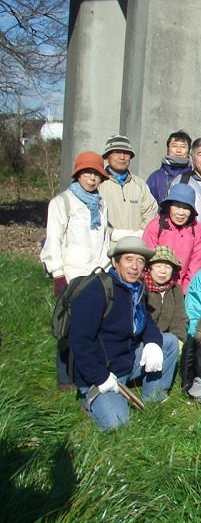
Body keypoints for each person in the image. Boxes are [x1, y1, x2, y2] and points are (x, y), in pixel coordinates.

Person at [70, 237, 179, 431]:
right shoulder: (97, 290)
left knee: (168, 342)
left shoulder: (136, 288)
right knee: (117, 425)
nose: (134, 266)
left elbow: (147, 320)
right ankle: (90, 400)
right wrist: (100, 377)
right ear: (115, 262)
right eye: (128, 259)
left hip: (126, 361)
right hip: (100, 371)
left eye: (140, 261)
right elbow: (80, 341)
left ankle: (153, 399)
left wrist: (153, 343)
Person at [40, 151, 112, 390]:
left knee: (92, 329)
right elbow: (54, 239)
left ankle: (85, 374)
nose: (92, 179)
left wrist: (105, 268)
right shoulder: (62, 202)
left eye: (96, 174)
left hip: (96, 274)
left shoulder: (101, 204)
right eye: (87, 173)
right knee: (68, 329)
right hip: (72, 275)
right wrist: (57, 273)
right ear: (78, 174)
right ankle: (64, 377)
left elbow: (105, 239)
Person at [142, 184, 201, 292]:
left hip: (183, 289)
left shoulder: (196, 229)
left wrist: (184, 291)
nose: (181, 213)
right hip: (155, 286)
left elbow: (197, 263)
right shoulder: (155, 226)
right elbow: (147, 259)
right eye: (177, 206)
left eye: (186, 208)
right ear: (169, 206)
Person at [98, 135, 158, 246]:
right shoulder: (98, 184)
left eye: (126, 153)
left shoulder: (139, 184)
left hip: (135, 249)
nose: (122, 157)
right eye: (116, 152)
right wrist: (112, 233)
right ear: (106, 157)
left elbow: (151, 211)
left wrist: (141, 233)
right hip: (106, 248)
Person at [143, 245, 188, 341]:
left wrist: (178, 341)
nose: (163, 271)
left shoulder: (176, 289)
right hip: (143, 338)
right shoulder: (141, 286)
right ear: (149, 268)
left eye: (168, 267)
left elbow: (179, 319)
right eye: (158, 266)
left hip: (166, 339)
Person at [146, 129, 193, 204]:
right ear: (168, 148)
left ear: (189, 151)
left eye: (183, 147)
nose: (178, 150)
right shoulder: (155, 177)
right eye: (174, 146)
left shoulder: (194, 177)